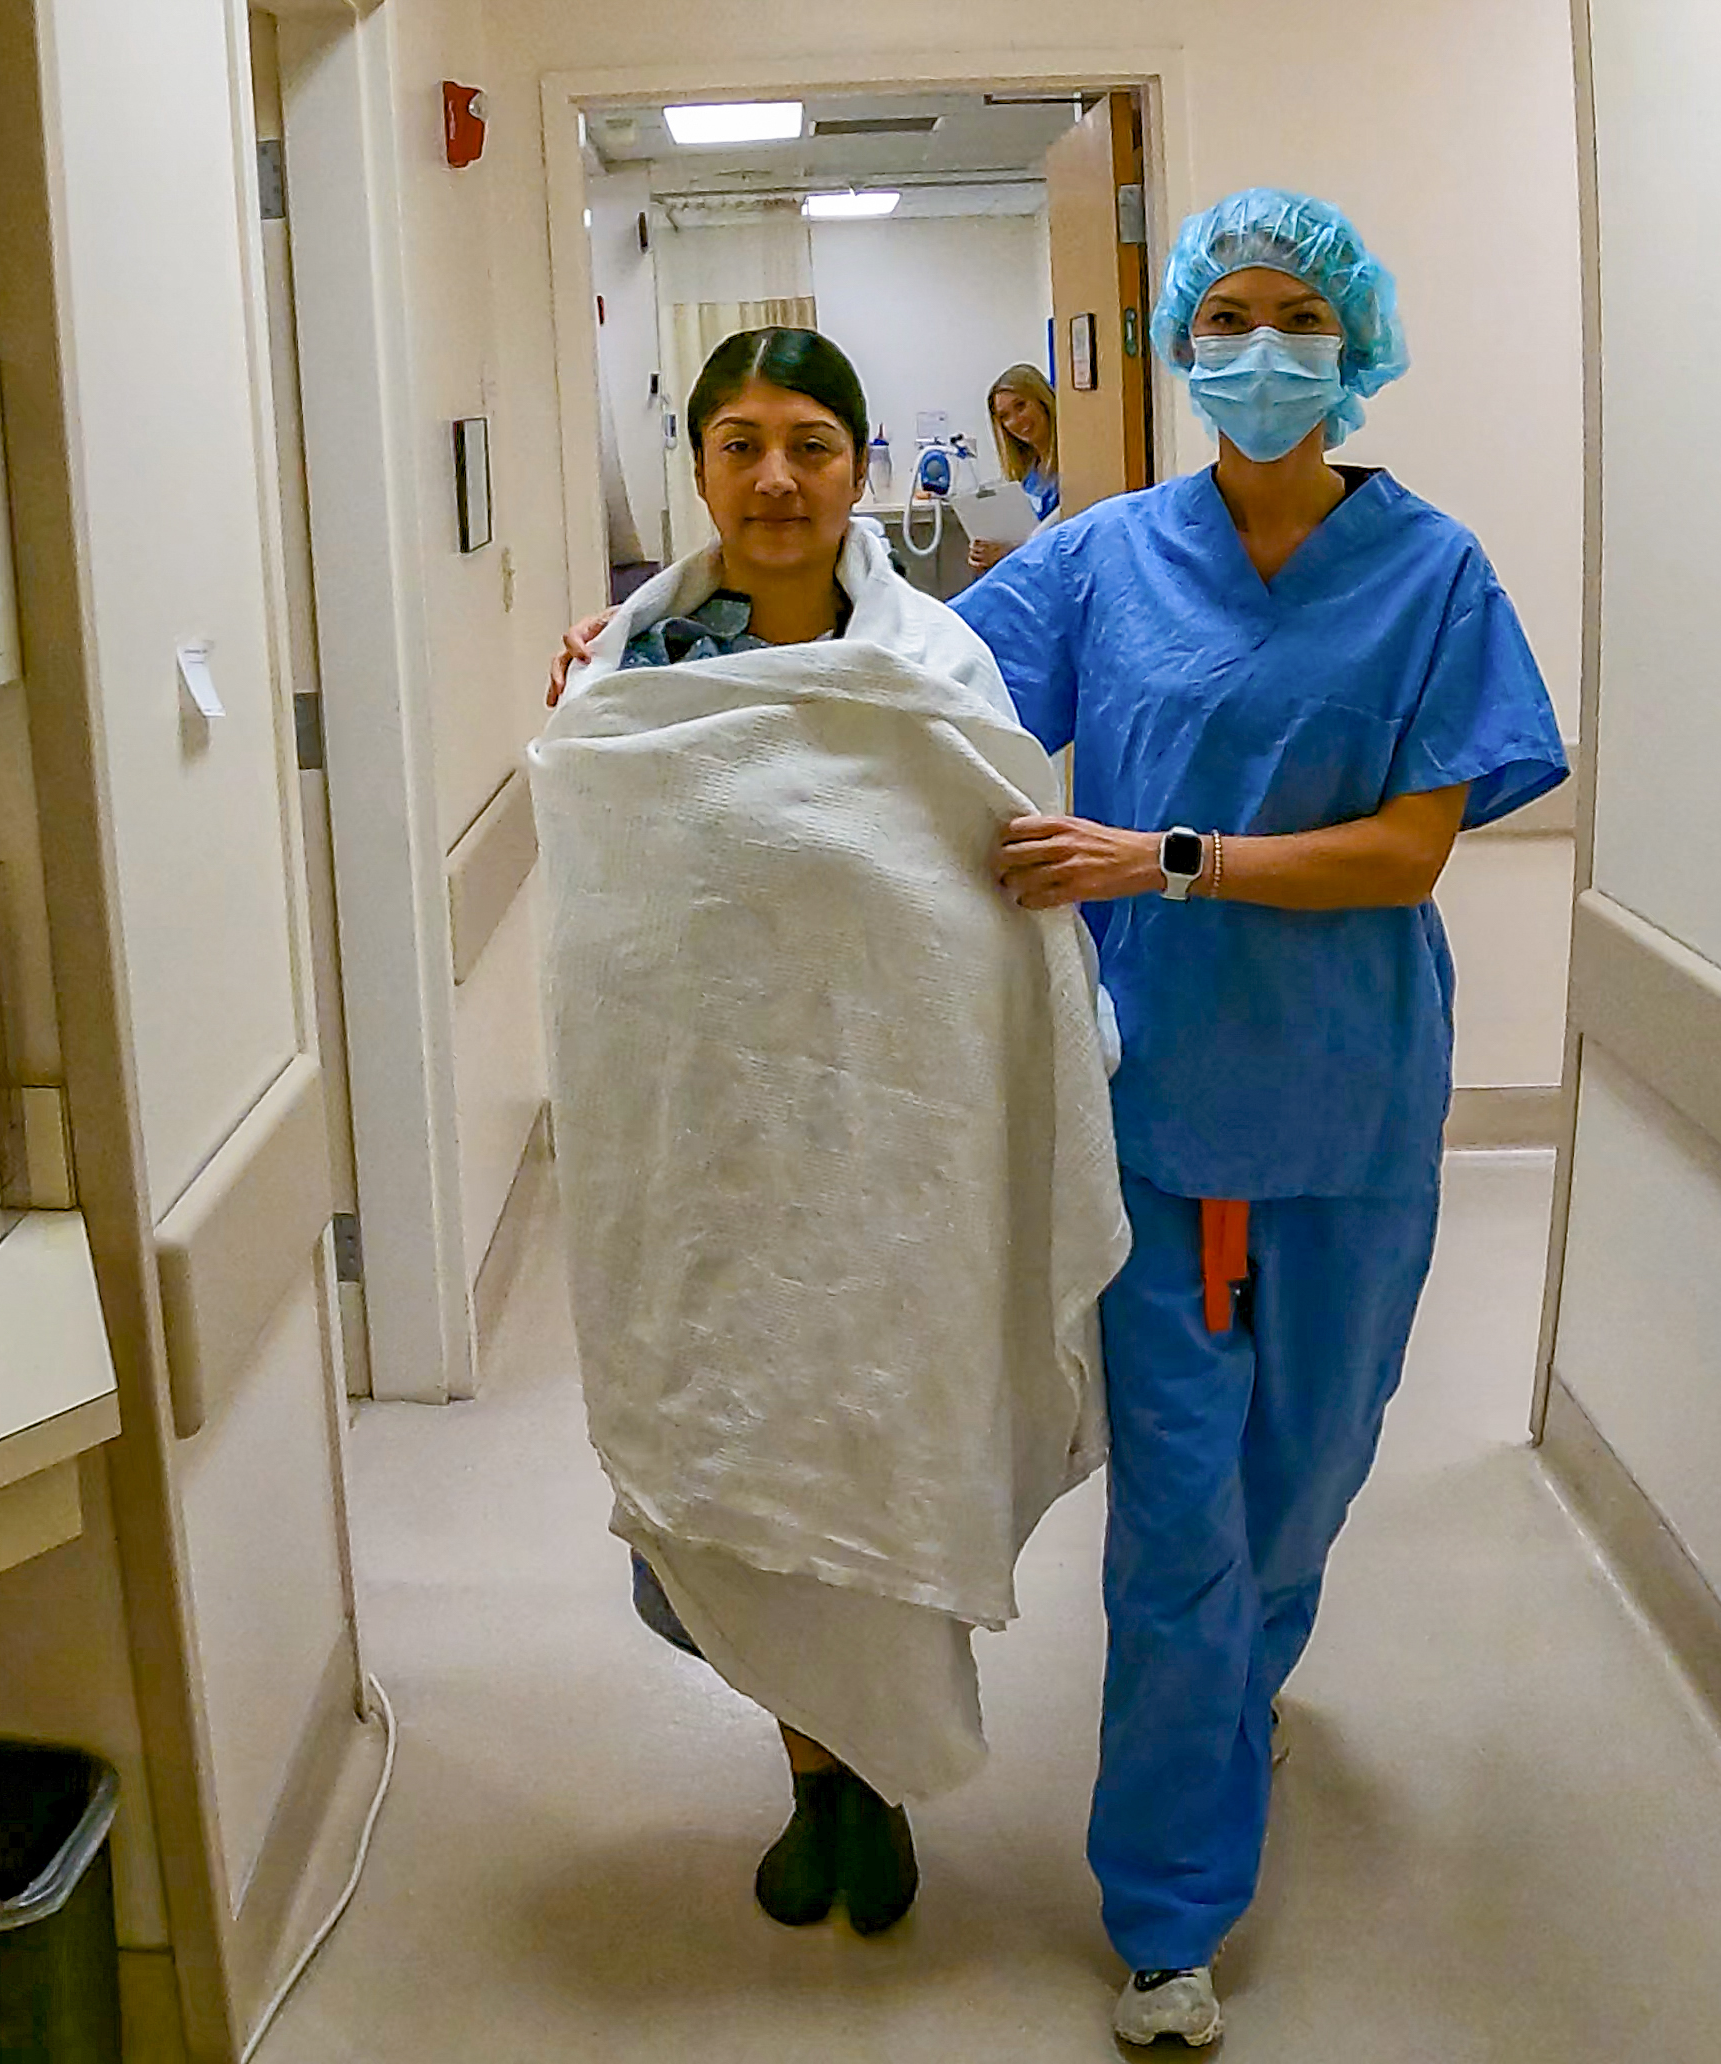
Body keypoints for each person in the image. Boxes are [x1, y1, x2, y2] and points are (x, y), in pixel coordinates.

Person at [949, 189, 1569, 2049]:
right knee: (1178, 1531)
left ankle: (1233, 1695)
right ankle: (1167, 1911)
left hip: (1354, 1097)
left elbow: (1409, 845)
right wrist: (688, 625)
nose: (1264, 344)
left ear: (1352, 345)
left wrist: (1172, 855)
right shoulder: (1101, 559)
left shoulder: (1435, 570)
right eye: (1230, 312)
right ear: (1184, 348)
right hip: (1158, 1108)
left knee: (1303, 1487)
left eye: (1301, 314)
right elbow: (904, 677)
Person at [534, 328, 1127, 1942]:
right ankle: (813, 1777)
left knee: (886, 1446)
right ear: (703, 468)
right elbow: (611, 925)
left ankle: (875, 1779)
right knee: (739, 1464)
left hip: (893, 1164)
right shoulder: (628, 682)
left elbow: (990, 909)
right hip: (707, 1170)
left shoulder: (937, 667)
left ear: (859, 463)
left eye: (809, 441)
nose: (776, 476)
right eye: (740, 443)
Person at [970, 362, 1063, 572]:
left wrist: (1011, 552)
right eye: (1004, 416)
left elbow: (1063, 541)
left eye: (1021, 406)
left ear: (1043, 401)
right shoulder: (1028, 475)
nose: (1016, 421)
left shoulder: (1074, 467)